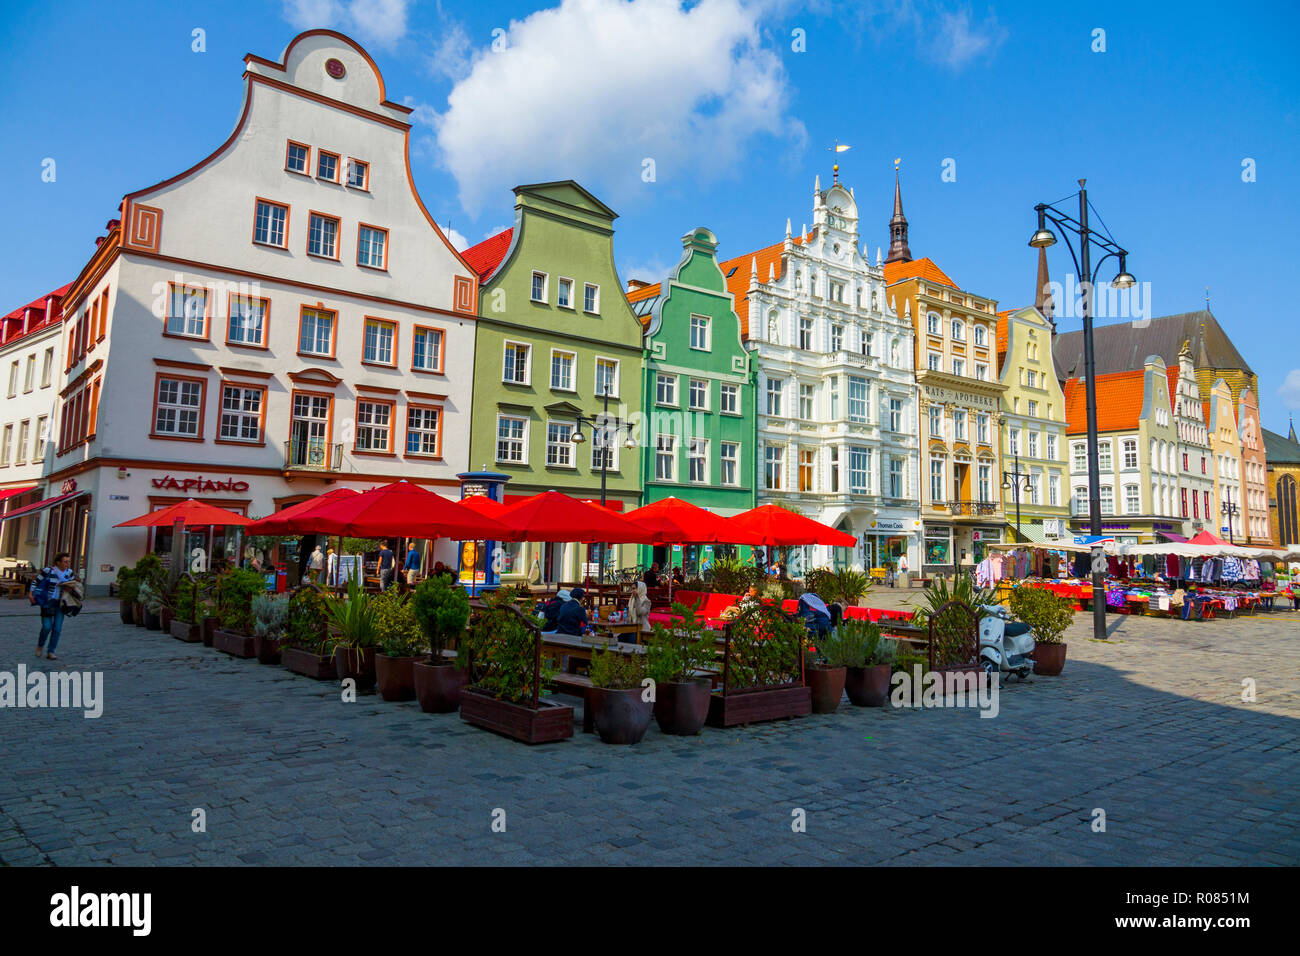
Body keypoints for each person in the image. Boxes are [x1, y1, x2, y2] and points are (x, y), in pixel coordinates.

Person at [30, 552, 76, 661]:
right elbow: (36, 581)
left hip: (61, 603)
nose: (67, 564)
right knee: (46, 626)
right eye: (65, 561)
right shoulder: (48, 571)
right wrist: (31, 593)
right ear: (58, 562)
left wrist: (69, 588)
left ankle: (51, 651)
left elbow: (72, 586)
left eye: (69, 561)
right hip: (48, 602)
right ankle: (40, 645)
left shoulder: (69, 573)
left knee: (57, 628)